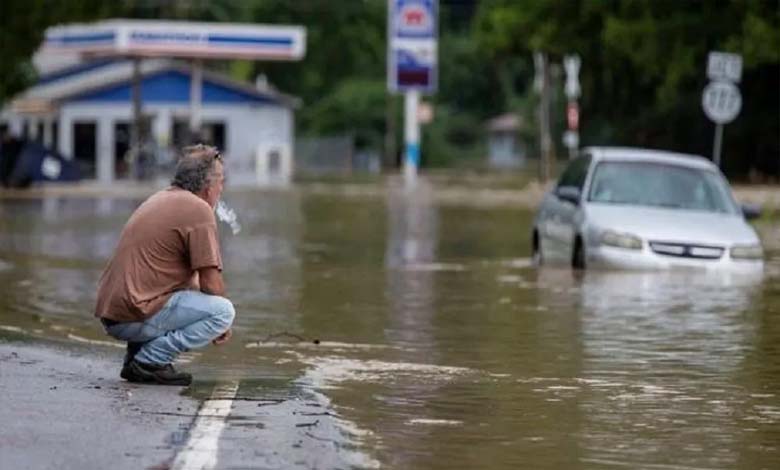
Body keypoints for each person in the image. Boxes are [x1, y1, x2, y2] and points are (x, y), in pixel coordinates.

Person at [95, 144, 235, 386]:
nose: (222, 188)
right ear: (207, 185)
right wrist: (224, 325)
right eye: (221, 181)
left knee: (182, 290)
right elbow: (212, 284)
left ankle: (135, 359)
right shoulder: (198, 209)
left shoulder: (161, 198)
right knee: (223, 312)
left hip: (115, 313)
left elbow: (188, 281)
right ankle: (150, 360)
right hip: (133, 315)